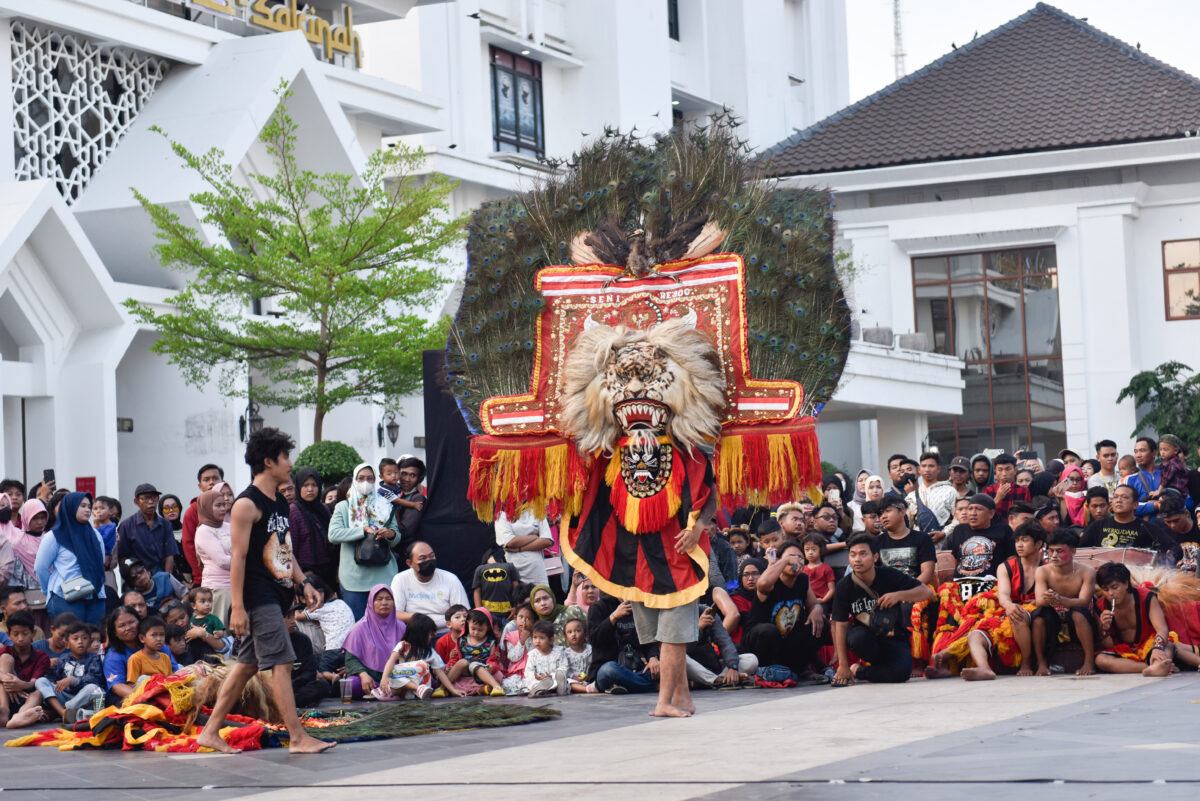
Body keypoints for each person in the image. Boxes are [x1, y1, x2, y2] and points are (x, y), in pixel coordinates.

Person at [194, 428, 334, 755]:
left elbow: (284, 549)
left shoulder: (279, 502)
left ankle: (210, 731)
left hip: (278, 592)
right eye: (285, 457)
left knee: (246, 666)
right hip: (258, 597)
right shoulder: (246, 504)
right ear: (269, 461)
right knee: (283, 662)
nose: (290, 464)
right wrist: (239, 607)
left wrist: (304, 583)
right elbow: (238, 559)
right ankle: (298, 738)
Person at [830, 534, 934, 686]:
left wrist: (899, 595)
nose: (857, 559)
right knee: (857, 637)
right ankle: (863, 667)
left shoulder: (888, 574)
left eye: (863, 554)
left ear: (875, 557)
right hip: (867, 640)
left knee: (902, 673)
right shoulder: (844, 586)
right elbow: (840, 624)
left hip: (895, 637)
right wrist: (842, 665)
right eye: (852, 555)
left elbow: (927, 592)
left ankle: (858, 671)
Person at [742, 539, 825, 679]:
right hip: (758, 640)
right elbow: (762, 584)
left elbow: (814, 604)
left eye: (800, 557)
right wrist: (784, 561)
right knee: (769, 631)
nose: (796, 561)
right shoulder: (771, 582)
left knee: (820, 625)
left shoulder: (803, 579)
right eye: (791, 557)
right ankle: (766, 670)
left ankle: (798, 668)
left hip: (785, 639)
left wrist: (817, 610)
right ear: (781, 560)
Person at [328, 463, 401, 620]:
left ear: (376, 481)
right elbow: (333, 535)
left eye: (370, 478)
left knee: (385, 625)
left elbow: (396, 540)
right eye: (361, 478)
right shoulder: (344, 506)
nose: (365, 482)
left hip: (384, 576)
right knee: (358, 627)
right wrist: (362, 531)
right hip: (354, 579)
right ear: (354, 480)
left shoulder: (385, 505)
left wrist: (390, 534)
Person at [34, 492, 107, 624]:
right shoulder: (54, 536)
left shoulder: (95, 535)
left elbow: (100, 564)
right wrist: (48, 590)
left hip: (95, 595)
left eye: (89, 506)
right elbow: (41, 568)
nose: (87, 510)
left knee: (94, 638)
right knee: (72, 639)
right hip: (65, 597)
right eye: (82, 505)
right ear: (70, 507)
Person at [1032, 529, 1096, 676]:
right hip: (1053, 620)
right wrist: (1051, 599)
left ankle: (1089, 662)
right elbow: (1040, 601)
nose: (1053, 556)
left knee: (1078, 613)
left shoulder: (1087, 572)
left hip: (1079, 619)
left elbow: (1084, 602)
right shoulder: (1042, 571)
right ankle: (1041, 663)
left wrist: (1062, 601)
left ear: (1073, 552)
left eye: (1060, 551)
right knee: (1039, 616)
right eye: (1051, 551)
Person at [1079, 485, 1181, 562]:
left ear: (1135, 505)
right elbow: (1080, 550)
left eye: (1124, 497)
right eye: (1115, 497)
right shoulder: (1097, 526)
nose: (1118, 500)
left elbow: (1175, 548)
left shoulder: (1147, 527)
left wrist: (1170, 556)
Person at [33, 621, 104, 723]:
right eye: (75, 639)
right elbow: (56, 680)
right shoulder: (63, 659)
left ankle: (61, 712)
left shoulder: (94, 659)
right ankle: (63, 713)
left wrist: (73, 680)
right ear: (66, 644)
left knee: (93, 688)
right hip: (66, 696)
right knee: (41, 681)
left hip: (83, 698)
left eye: (84, 638)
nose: (80, 642)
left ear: (89, 642)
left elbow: (94, 680)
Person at [378, 612, 460, 700]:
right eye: (429, 634)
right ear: (420, 634)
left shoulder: (429, 652)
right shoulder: (403, 645)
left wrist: (453, 690)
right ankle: (391, 692)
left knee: (422, 665)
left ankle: (393, 692)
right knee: (392, 671)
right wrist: (384, 678)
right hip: (405, 684)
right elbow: (391, 660)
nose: (432, 637)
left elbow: (439, 672)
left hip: (421, 687)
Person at [390, 541, 469, 631]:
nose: (429, 561)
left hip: (446, 634)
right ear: (410, 563)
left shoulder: (451, 579)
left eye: (432, 556)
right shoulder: (400, 579)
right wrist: (418, 618)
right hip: (415, 634)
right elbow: (394, 613)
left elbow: (464, 612)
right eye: (422, 558)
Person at [341, 584, 405, 695]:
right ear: (371, 603)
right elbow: (351, 659)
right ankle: (389, 692)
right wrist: (363, 675)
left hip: (397, 677)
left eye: (388, 599)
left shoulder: (402, 627)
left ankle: (386, 692)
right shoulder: (359, 628)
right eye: (379, 599)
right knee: (353, 685)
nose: (384, 603)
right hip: (371, 679)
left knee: (430, 682)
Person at [0, 611, 51, 728]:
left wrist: (20, 685)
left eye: (25, 633)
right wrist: (9, 681)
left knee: (38, 693)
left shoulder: (42, 657)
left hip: (26, 698)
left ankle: (19, 717)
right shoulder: (5, 651)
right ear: (8, 635)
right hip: (4, 695)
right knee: (6, 659)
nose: (20, 638)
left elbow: (33, 684)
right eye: (16, 634)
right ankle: (3, 709)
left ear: (33, 633)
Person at [295, 574, 355, 673]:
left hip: (332, 651)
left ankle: (331, 677)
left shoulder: (318, 609)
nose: (318, 596)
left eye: (320, 592)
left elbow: (298, 616)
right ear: (302, 598)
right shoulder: (340, 603)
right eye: (314, 593)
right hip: (348, 651)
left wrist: (295, 610)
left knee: (322, 671)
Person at [193, 483, 235, 623]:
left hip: (236, 585)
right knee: (222, 632)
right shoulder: (204, 530)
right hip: (218, 589)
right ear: (206, 507)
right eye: (218, 505)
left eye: (223, 505)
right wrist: (245, 560)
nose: (223, 508)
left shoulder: (229, 526)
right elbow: (223, 561)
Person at [440, 607, 505, 697]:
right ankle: (442, 688)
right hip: (465, 671)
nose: (476, 633)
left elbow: (492, 659)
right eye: (473, 629)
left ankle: (496, 687)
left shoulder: (490, 642)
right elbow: (456, 657)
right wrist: (450, 666)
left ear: (488, 627)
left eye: (480, 630)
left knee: (474, 665)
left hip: (482, 671)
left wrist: (491, 666)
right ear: (468, 624)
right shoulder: (462, 640)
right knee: (462, 662)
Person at [288, 467, 334, 586]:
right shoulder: (293, 511)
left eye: (314, 485)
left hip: (328, 569)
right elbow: (291, 548)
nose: (310, 489)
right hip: (306, 573)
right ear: (298, 487)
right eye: (305, 485)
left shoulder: (323, 509)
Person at [875, 496, 936, 585]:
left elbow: (927, 573)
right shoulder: (876, 542)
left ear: (902, 511)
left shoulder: (922, 539)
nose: (883, 516)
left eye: (888, 511)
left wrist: (906, 592)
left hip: (916, 593)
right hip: (887, 595)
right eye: (881, 513)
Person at [494, 510, 553, 586]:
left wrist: (519, 549)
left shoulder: (537, 510)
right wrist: (534, 537)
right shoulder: (501, 514)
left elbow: (547, 540)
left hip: (538, 573)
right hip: (515, 574)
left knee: (542, 596)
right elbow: (509, 542)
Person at [125, 616, 179, 684]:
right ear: (142, 638)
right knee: (143, 679)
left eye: (162, 635)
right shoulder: (136, 659)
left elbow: (170, 680)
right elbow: (132, 685)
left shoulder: (165, 657)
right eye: (154, 635)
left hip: (165, 691)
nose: (159, 639)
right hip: (146, 693)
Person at [387, 457, 427, 549]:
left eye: (412, 475)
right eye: (404, 474)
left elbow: (405, 531)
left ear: (419, 480)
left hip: (408, 553)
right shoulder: (399, 495)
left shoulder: (418, 498)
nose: (407, 479)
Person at [522, 619, 569, 697]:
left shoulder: (558, 652)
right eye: (535, 637)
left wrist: (552, 676)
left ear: (551, 640)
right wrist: (535, 676)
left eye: (542, 638)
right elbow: (528, 671)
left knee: (565, 682)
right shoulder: (533, 655)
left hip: (554, 680)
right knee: (532, 683)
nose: (537, 641)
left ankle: (560, 689)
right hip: (539, 681)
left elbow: (563, 667)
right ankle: (539, 690)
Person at [120, 557, 184, 610]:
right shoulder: (132, 598)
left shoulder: (165, 577)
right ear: (131, 583)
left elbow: (185, 595)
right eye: (133, 576)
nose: (139, 576)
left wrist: (179, 608)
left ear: (147, 571)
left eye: (140, 570)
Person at [473, 547, 517, 621]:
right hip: (488, 614)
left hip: (507, 613)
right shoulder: (480, 569)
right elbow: (477, 591)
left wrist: (516, 607)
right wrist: (479, 611)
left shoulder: (509, 566)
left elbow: (516, 588)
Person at [982, 454, 1030, 523]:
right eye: (1000, 470)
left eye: (1008, 469)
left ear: (1015, 470)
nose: (1004, 473)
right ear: (995, 471)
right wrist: (998, 498)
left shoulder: (1024, 491)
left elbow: (1027, 515)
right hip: (995, 528)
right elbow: (984, 514)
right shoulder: (988, 490)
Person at [1159, 494, 1200, 572]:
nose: (1173, 525)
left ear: (1186, 513)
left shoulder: (1198, 529)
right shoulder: (1164, 534)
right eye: (1168, 522)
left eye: (1176, 520)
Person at [917, 452, 957, 528]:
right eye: (924, 466)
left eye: (931, 466)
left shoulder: (949, 491)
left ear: (938, 469)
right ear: (919, 469)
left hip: (943, 537)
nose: (927, 469)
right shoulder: (912, 496)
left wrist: (945, 533)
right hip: (919, 538)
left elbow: (959, 518)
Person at [1126, 437, 1163, 519]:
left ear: (1154, 453)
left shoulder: (1168, 474)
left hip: (1170, 526)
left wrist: (1163, 503)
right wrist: (1154, 505)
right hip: (1144, 529)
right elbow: (1128, 507)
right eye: (1136, 452)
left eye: (1142, 450)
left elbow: (1188, 502)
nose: (1138, 455)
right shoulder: (1131, 479)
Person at [801, 533, 835, 606]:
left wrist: (824, 600)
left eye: (814, 549)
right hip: (805, 603)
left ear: (821, 550)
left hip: (822, 603)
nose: (810, 552)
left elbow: (832, 589)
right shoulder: (802, 569)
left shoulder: (826, 568)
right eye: (807, 550)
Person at [562, 617, 594, 692]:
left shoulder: (590, 649)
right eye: (569, 632)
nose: (573, 634)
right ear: (566, 637)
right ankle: (587, 689)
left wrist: (588, 676)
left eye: (577, 631)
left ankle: (593, 687)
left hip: (589, 679)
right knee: (568, 682)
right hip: (574, 680)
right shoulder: (565, 653)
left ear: (585, 634)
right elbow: (566, 669)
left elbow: (594, 665)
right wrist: (574, 677)